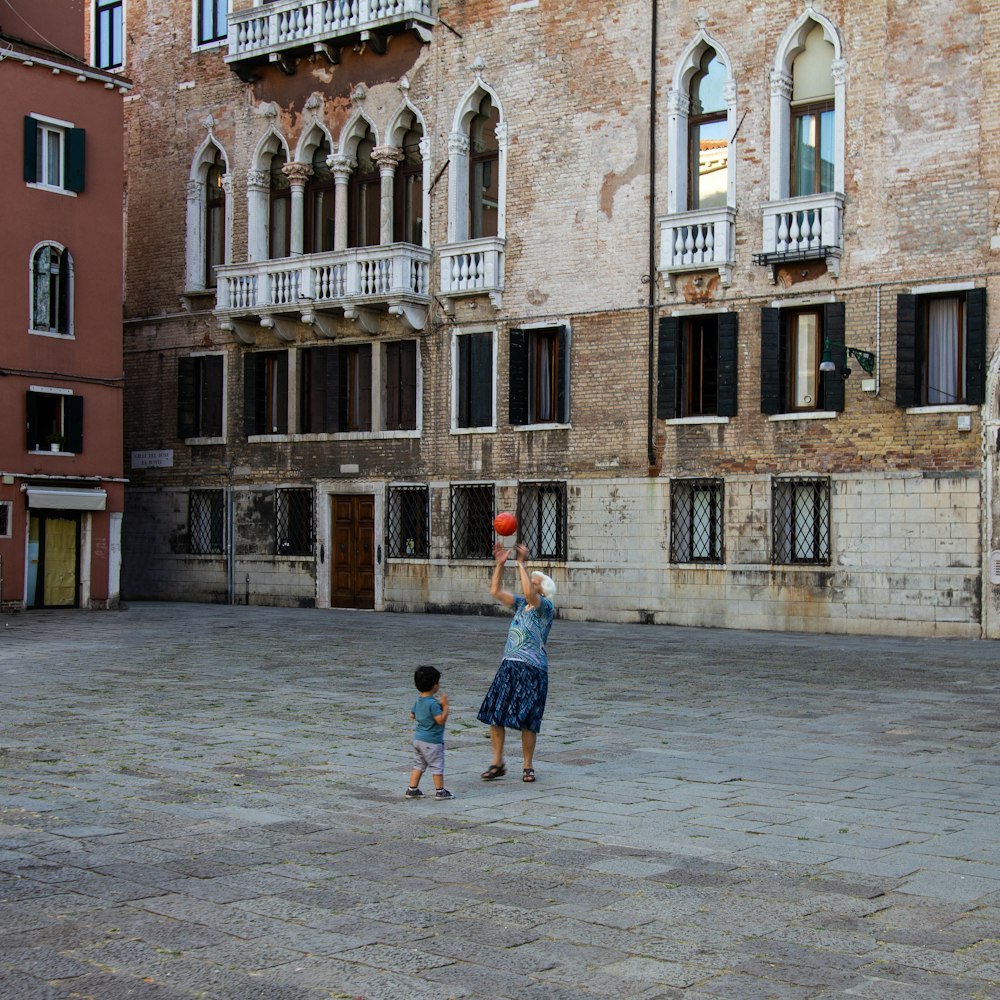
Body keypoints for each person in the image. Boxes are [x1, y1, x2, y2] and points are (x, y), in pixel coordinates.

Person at [477, 541, 556, 783]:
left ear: (543, 591)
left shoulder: (546, 607)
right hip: (509, 664)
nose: (528, 586)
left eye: (534, 583)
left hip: (532, 669)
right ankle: (497, 762)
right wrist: (500, 564)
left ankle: (528, 766)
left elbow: (531, 595)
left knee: (529, 719)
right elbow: (495, 591)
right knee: (495, 714)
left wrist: (521, 563)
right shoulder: (521, 605)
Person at [405, 665, 453, 799]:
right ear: (434, 685)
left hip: (418, 739)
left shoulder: (419, 700)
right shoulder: (433, 704)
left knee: (418, 765)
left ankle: (412, 789)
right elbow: (440, 720)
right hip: (431, 742)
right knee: (437, 765)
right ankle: (440, 791)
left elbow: (412, 715)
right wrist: (445, 706)